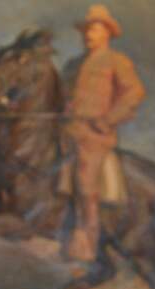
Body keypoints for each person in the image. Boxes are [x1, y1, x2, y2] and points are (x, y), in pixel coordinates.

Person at [60, 4, 146, 262]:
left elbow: (134, 93)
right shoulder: (73, 65)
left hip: (95, 136)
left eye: (94, 29)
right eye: (86, 30)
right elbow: (63, 96)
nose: (88, 34)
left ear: (107, 32)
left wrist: (109, 119)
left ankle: (88, 245)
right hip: (66, 131)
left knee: (85, 184)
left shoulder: (116, 61)